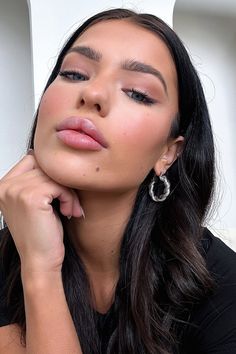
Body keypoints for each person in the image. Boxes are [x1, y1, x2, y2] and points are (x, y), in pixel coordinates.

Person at [0, 7, 235, 354]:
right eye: (75, 74)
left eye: (138, 93)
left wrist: (40, 271)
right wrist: (38, 266)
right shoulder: (7, 260)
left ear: (168, 152)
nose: (92, 94)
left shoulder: (219, 287)